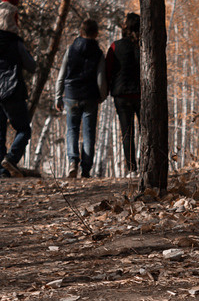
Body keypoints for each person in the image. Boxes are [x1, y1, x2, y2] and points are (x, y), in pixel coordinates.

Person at [0, 0, 36, 176]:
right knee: (24, 129)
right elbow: (32, 66)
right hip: (13, 91)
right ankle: (11, 158)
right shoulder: (15, 44)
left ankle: (1, 171)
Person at [57, 18, 106, 177]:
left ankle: (73, 161)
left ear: (80, 31)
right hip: (90, 96)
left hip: (71, 95)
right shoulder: (98, 53)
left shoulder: (71, 49)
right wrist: (102, 96)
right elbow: (100, 79)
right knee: (89, 133)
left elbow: (61, 75)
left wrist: (58, 96)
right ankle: (85, 169)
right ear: (96, 33)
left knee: (72, 129)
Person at [100, 12, 143, 176]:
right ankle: (144, 165)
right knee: (144, 131)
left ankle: (132, 169)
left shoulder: (115, 46)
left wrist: (108, 89)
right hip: (141, 94)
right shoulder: (144, 45)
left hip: (121, 94)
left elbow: (108, 70)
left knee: (127, 132)